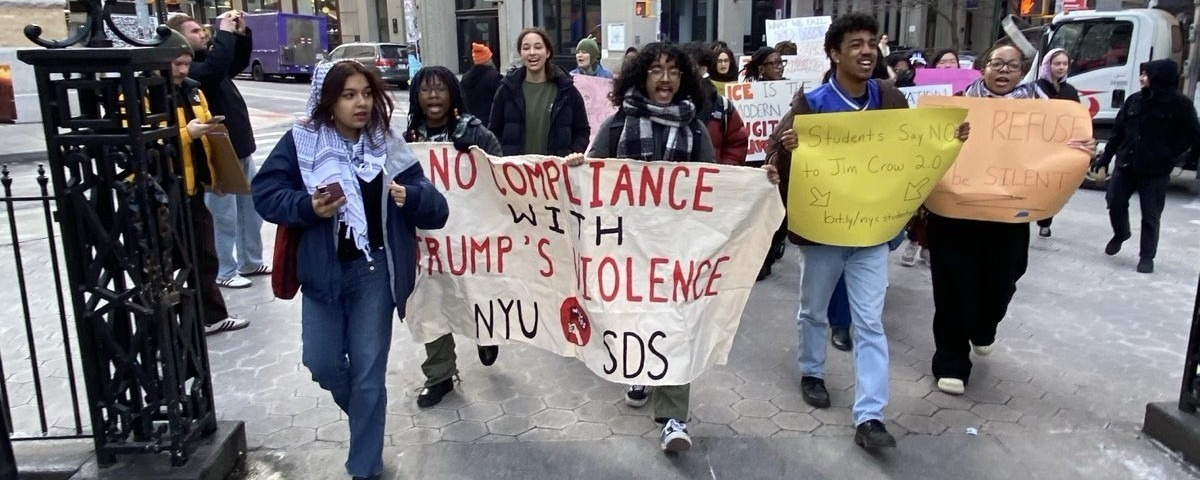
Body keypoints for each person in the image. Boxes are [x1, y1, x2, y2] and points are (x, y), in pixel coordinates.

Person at [767, 13, 968, 449]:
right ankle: (813, 371)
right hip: (823, 235)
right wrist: (789, 152)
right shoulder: (812, 104)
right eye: (855, 43)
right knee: (813, 311)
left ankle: (870, 416)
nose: (866, 50)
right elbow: (774, 163)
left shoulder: (890, 98)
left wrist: (950, 137)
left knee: (870, 323)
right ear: (835, 54)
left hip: (871, 237)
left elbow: (916, 146)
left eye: (871, 43)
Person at [252, 60, 449, 480]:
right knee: (322, 364)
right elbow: (266, 194)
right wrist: (307, 207)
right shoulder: (301, 142)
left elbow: (437, 208)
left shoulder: (388, 145)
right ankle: (366, 413)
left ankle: (365, 468)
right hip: (321, 276)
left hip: (374, 274)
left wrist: (408, 196)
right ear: (329, 101)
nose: (361, 103)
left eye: (365, 94)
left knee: (366, 372)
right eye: (349, 95)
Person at [588, 42, 779, 453]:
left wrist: (756, 185)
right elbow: (591, 175)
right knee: (636, 318)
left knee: (677, 326)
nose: (666, 78)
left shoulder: (694, 130)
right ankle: (638, 369)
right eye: (656, 70)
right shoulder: (618, 127)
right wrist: (574, 167)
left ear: (684, 79)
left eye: (674, 71)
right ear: (641, 77)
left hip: (679, 255)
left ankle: (673, 418)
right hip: (628, 250)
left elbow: (714, 186)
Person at [926, 44, 1092, 396]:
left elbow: (1063, 152)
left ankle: (985, 327)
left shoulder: (1046, 112)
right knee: (953, 288)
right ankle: (951, 361)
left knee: (1003, 281)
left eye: (1012, 66)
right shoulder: (954, 105)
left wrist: (1081, 152)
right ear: (983, 67)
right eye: (997, 64)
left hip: (1009, 217)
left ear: (1022, 72)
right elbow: (924, 145)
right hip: (955, 215)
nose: (1003, 71)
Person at [403, 66, 503, 407]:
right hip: (428, 240)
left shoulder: (474, 132)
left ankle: (485, 333)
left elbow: (502, 173)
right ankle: (440, 374)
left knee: (473, 294)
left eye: (441, 89)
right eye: (426, 90)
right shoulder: (406, 140)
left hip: (470, 237)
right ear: (417, 97)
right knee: (433, 302)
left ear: (452, 95)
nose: (433, 96)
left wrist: (476, 156)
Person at [159, 31, 250, 336]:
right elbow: (145, 139)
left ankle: (212, 316)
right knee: (167, 261)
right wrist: (187, 133)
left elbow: (209, 143)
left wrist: (216, 179)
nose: (183, 70)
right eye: (177, 64)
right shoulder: (146, 93)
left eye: (186, 63)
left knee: (204, 254)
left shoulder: (194, 92)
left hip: (194, 188)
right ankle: (170, 326)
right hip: (162, 190)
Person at [1091, 59, 1200, 274]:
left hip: (1155, 171)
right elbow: (1117, 133)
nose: (1141, 78)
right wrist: (1104, 158)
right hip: (1127, 164)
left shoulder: (1180, 105)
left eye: (1146, 74)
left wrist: (1170, 154)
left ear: (1159, 78)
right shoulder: (1133, 101)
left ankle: (1146, 256)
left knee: (1151, 215)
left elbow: (1192, 134)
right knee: (1114, 201)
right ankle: (1121, 233)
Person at [489, 28, 590, 156]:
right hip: (514, 172)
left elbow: (582, 130)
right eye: (526, 48)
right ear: (520, 53)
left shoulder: (567, 91)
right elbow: (493, 133)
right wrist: (503, 158)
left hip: (555, 172)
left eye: (538, 47)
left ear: (547, 52)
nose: (532, 53)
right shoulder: (506, 90)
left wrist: (573, 153)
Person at [1034, 48, 1081, 238]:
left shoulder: (1070, 91)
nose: (1061, 67)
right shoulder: (1035, 88)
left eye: (1064, 64)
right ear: (1048, 65)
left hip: (1060, 147)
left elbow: (1077, 118)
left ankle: (1046, 221)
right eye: (1057, 63)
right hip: (1037, 145)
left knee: (1052, 186)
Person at [684, 42, 749, 166]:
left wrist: (723, 171)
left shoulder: (722, 106)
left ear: (705, 68)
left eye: (696, 67)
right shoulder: (668, 103)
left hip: (713, 180)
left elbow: (737, 144)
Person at [461, 42, 502, 120]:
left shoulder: (465, 77)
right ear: (488, 59)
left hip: (471, 122)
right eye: (490, 57)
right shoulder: (495, 77)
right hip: (490, 121)